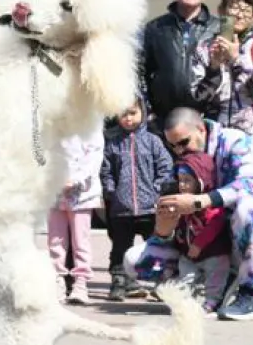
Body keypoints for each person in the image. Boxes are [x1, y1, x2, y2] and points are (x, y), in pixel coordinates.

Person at [129, 107, 253, 321]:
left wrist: (199, 201)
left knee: (248, 209)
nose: (179, 151)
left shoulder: (235, 142)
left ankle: (250, 295)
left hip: (245, 242)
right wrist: (163, 230)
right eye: (172, 146)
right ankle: (189, 294)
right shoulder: (181, 160)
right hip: (194, 250)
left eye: (183, 142)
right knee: (134, 260)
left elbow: (250, 184)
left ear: (201, 129)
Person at [192, 0, 253, 163]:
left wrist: (237, 59)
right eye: (234, 9)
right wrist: (214, 68)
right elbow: (196, 97)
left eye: (246, 11)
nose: (239, 16)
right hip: (216, 139)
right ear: (222, 10)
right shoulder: (204, 48)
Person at [100, 98, 173, 301]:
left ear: (142, 112)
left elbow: (165, 166)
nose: (128, 119)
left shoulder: (152, 140)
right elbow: (106, 171)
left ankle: (161, 283)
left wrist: (157, 189)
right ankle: (119, 282)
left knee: (156, 247)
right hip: (121, 209)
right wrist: (111, 191)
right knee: (120, 248)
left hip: (150, 208)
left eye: (133, 113)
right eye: (123, 114)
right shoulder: (112, 143)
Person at [140, 0, 217, 126]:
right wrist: (147, 109)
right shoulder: (155, 28)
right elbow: (141, 70)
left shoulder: (218, 28)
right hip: (163, 118)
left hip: (207, 116)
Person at [169, 151, 234, 314]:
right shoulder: (181, 200)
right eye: (180, 181)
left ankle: (212, 301)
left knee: (216, 276)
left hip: (213, 252)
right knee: (186, 275)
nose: (182, 185)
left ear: (200, 182)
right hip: (189, 253)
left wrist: (198, 244)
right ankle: (184, 300)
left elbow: (214, 225)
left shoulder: (210, 204)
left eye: (187, 181)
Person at [47, 129, 103, 304]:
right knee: (55, 240)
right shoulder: (50, 122)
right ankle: (57, 279)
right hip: (53, 189)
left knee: (81, 240)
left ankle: (81, 282)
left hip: (82, 192)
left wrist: (77, 179)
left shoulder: (89, 123)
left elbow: (94, 154)